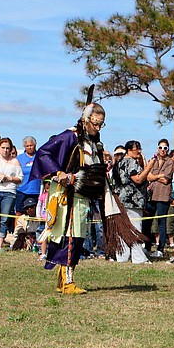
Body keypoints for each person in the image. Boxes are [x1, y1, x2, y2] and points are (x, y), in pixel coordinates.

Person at [31, 102, 117, 293]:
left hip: (82, 194)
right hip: (67, 195)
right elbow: (43, 153)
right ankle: (67, 282)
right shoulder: (70, 136)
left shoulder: (93, 141)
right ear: (86, 120)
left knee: (76, 236)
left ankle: (65, 280)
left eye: (101, 124)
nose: (98, 127)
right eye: (95, 123)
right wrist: (58, 173)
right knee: (70, 235)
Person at [112, 140, 154, 264]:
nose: (139, 152)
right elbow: (138, 179)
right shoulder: (130, 162)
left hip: (120, 199)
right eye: (137, 149)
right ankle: (138, 258)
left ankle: (122, 256)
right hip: (132, 201)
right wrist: (149, 166)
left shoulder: (119, 162)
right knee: (135, 228)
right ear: (129, 150)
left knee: (122, 228)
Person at [147, 139, 174, 258]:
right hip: (151, 194)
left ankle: (160, 249)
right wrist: (158, 176)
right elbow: (148, 175)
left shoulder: (170, 162)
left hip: (163, 196)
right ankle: (147, 246)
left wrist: (154, 177)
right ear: (157, 148)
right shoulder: (153, 160)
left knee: (161, 222)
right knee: (148, 221)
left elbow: (166, 179)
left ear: (168, 149)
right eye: (160, 147)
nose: (162, 150)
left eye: (165, 148)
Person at [15, 136, 41, 214]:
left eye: (31, 145)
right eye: (27, 146)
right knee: (19, 212)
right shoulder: (19, 158)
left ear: (35, 145)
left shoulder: (40, 156)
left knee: (36, 213)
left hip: (36, 190)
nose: (29, 147)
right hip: (22, 190)